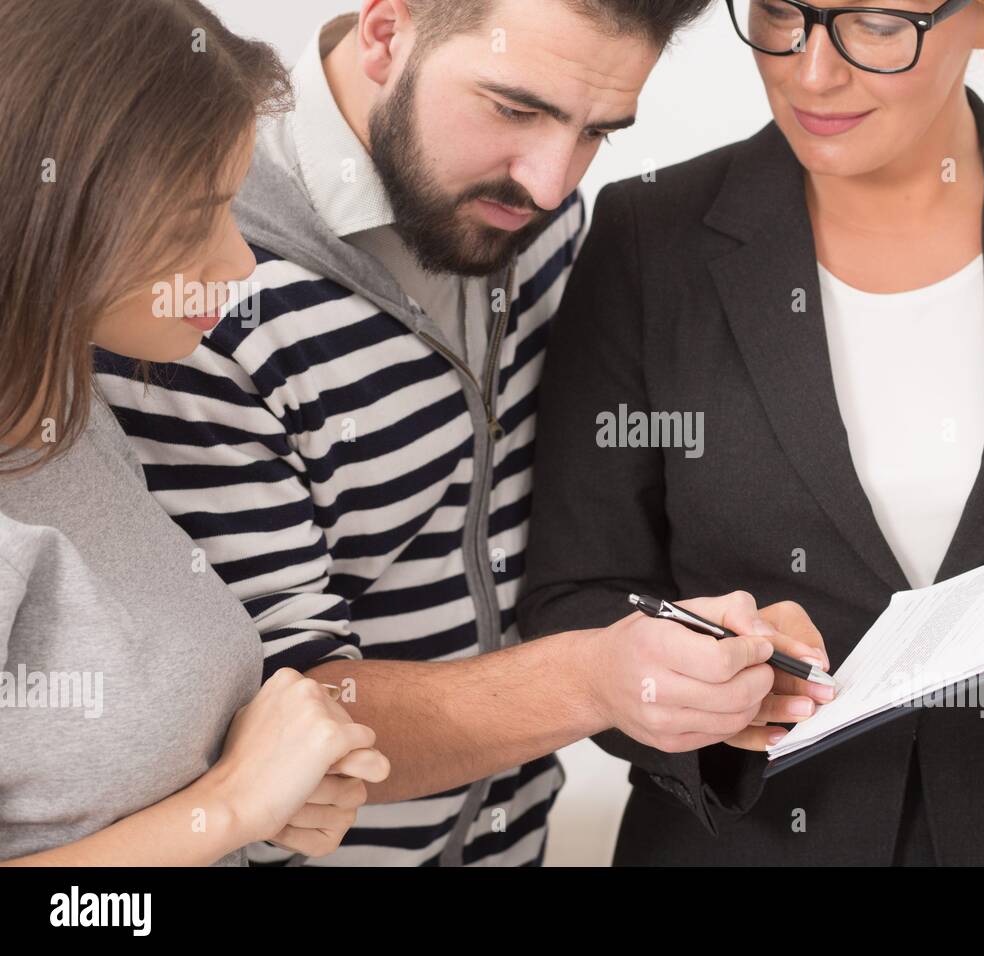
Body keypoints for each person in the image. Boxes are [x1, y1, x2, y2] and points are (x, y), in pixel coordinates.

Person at [517, 0, 984, 864]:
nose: (810, 71)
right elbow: (574, 600)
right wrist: (697, 681)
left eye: (879, 24)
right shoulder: (644, 236)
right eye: (779, 13)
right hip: (741, 841)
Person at [94, 0, 831, 867]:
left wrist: (701, 657)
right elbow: (281, 704)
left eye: (597, 131)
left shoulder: (529, 211)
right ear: (384, 31)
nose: (554, 183)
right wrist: (597, 679)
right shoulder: (189, 293)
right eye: (516, 109)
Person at [0, 0, 389, 866]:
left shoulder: (69, 402)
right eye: (190, 223)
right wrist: (231, 804)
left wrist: (269, 794)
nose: (241, 262)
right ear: (43, 218)